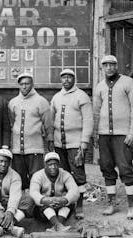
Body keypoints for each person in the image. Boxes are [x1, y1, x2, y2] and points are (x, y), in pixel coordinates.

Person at [93, 55, 133, 219]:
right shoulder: (99, 86)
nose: (109, 68)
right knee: (107, 168)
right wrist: (95, 133)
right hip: (104, 135)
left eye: (112, 65)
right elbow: (95, 111)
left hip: (123, 135)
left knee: (125, 168)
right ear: (102, 67)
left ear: (117, 66)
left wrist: (132, 133)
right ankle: (111, 204)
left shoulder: (128, 82)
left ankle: (132, 205)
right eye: (106, 65)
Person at [50, 69, 93, 219]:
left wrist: (84, 142)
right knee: (64, 174)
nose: (66, 80)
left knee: (78, 174)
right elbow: (51, 119)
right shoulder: (56, 97)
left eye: (69, 77)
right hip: (59, 143)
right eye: (63, 77)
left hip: (76, 144)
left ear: (74, 79)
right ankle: (68, 204)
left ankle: (80, 206)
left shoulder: (82, 96)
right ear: (60, 80)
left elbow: (88, 120)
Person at [8, 72, 54, 191]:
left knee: (36, 178)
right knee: (19, 178)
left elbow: (48, 123)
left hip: (35, 148)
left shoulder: (41, 101)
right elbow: (12, 121)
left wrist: (50, 137)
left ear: (32, 84)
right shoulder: (13, 102)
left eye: (27, 84)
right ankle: (22, 204)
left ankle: (37, 205)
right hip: (17, 149)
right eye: (22, 84)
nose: (24, 86)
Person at [30, 152, 79, 232]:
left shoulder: (65, 174)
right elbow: (33, 192)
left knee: (70, 202)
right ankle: (58, 225)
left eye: (55, 164)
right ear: (45, 165)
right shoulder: (38, 175)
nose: (53, 167)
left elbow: (75, 191)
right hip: (43, 212)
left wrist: (64, 200)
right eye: (50, 165)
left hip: (60, 208)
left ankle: (57, 226)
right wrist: (45, 200)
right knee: (42, 204)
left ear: (59, 164)